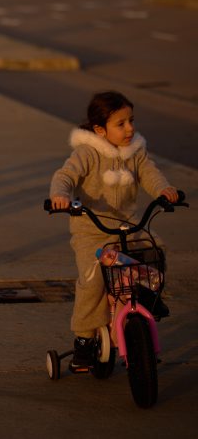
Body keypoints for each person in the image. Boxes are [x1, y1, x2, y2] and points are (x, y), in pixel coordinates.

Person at [48, 91, 178, 373]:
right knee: (93, 280)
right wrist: (61, 195)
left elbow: (150, 174)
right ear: (100, 129)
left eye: (131, 121)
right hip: (92, 231)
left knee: (154, 253)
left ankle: (142, 313)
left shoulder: (136, 151)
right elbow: (65, 176)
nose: (130, 128)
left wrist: (164, 191)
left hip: (129, 226)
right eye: (120, 124)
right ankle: (84, 338)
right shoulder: (87, 153)